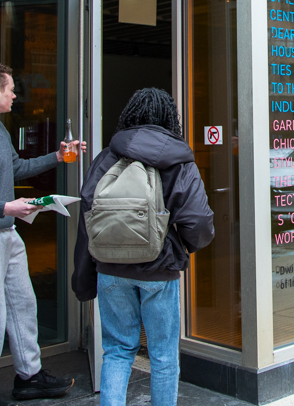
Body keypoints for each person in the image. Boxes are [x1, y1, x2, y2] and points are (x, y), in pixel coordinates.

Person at [72, 88, 214, 406]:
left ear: (130, 116)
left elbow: (87, 217)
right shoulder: (178, 160)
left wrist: (83, 276)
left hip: (109, 269)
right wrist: (181, 247)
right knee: (163, 357)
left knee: (118, 351)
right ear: (169, 119)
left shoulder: (107, 156)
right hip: (159, 272)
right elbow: (198, 222)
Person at [0, 63, 82, 406]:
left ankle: (29, 376)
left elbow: (18, 168)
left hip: (7, 234)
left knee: (23, 305)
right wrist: (6, 208)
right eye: (11, 90)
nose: (14, 96)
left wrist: (58, 156)